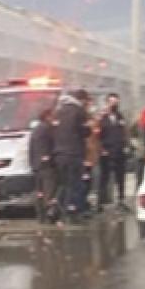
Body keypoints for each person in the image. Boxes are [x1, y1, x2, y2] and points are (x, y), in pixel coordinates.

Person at [52, 89, 91, 221]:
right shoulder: (79, 111)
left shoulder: (58, 111)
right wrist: (89, 128)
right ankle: (71, 210)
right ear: (83, 100)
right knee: (75, 183)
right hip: (74, 152)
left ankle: (55, 209)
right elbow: (84, 131)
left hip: (59, 153)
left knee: (63, 183)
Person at [98, 93, 129, 212]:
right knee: (104, 177)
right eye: (112, 102)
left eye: (116, 102)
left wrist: (126, 146)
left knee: (120, 177)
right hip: (106, 151)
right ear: (107, 103)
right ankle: (100, 202)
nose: (114, 105)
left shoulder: (120, 116)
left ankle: (121, 200)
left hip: (119, 150)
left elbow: (125, 132)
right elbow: (97, 135)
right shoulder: (102, 118)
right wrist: (102, 149)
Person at [29, 108, 57, 223]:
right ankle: (50, 214)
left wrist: (33, 164)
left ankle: (40, 216)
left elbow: (31, 149)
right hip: (47, 165)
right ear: (48, 117)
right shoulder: (48, 129)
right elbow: (52, 144)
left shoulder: (36, 130)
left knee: (40, 191)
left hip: (37, 165)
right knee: (49, 190)